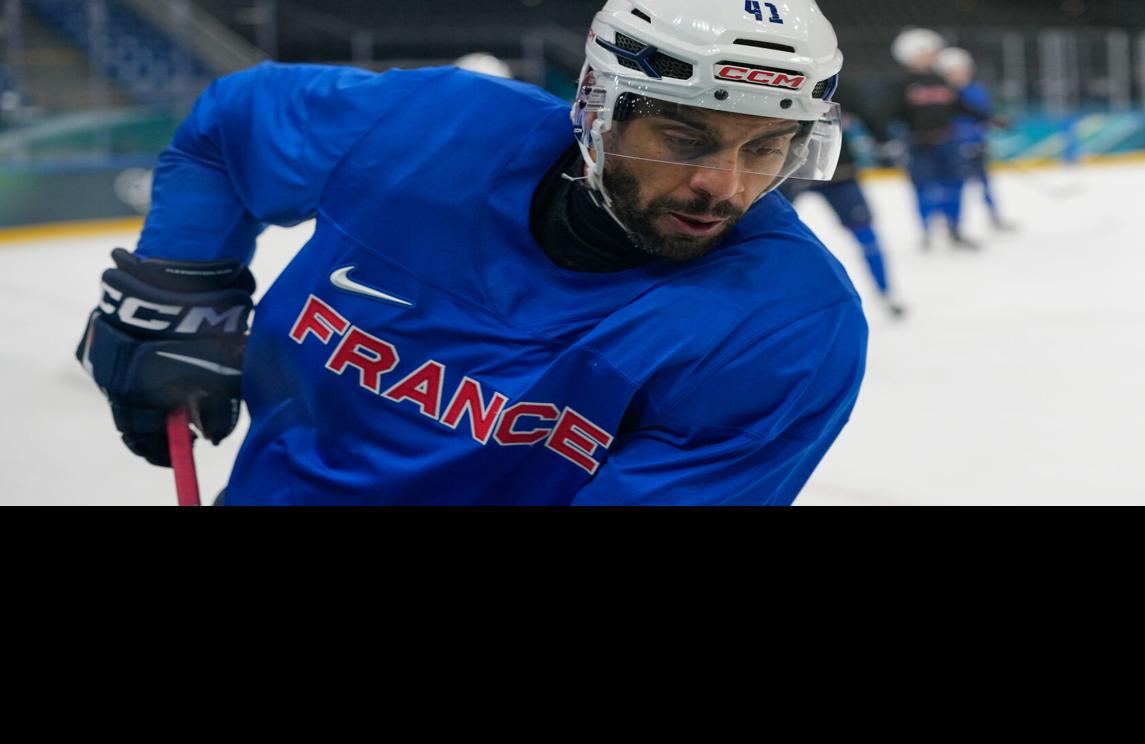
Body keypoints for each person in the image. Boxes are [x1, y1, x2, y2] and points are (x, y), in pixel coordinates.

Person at [72, 0, 866, 505]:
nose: (723, 186)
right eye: (684, 138)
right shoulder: (423, 130)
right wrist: (183, 280)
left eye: (767, 149)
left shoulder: (785, 328)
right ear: (596, 110)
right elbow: (231, 125)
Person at [780, 111, 905, 319]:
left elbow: (870, 112)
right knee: (768, 234)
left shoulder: (844, 85)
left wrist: (881, 138)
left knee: (865, 234)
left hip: (841, 174)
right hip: (789, 173)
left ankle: (886, 293)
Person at [884, 27, 982, 252]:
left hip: (947, 142)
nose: (934, 55)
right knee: (922, 188)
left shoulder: (941, 80)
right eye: (928, 52)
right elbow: (889, 113)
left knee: (954, 185)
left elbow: (960, 106)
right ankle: (926, 231)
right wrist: (885, 138)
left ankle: (954, 228)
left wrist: (989, 118)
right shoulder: (900, 84)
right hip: (917, 144)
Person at [934, 47, 1013, 233]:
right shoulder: (943, 94)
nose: (960, 75)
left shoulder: (976, 90)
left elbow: (983, 116)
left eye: (963, 70)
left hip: (977, 145)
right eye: (954, 71)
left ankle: (994, 217)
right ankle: (951, 225)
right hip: (954, 147)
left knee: (985, 183)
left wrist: (984, 135)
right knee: (952, 187)